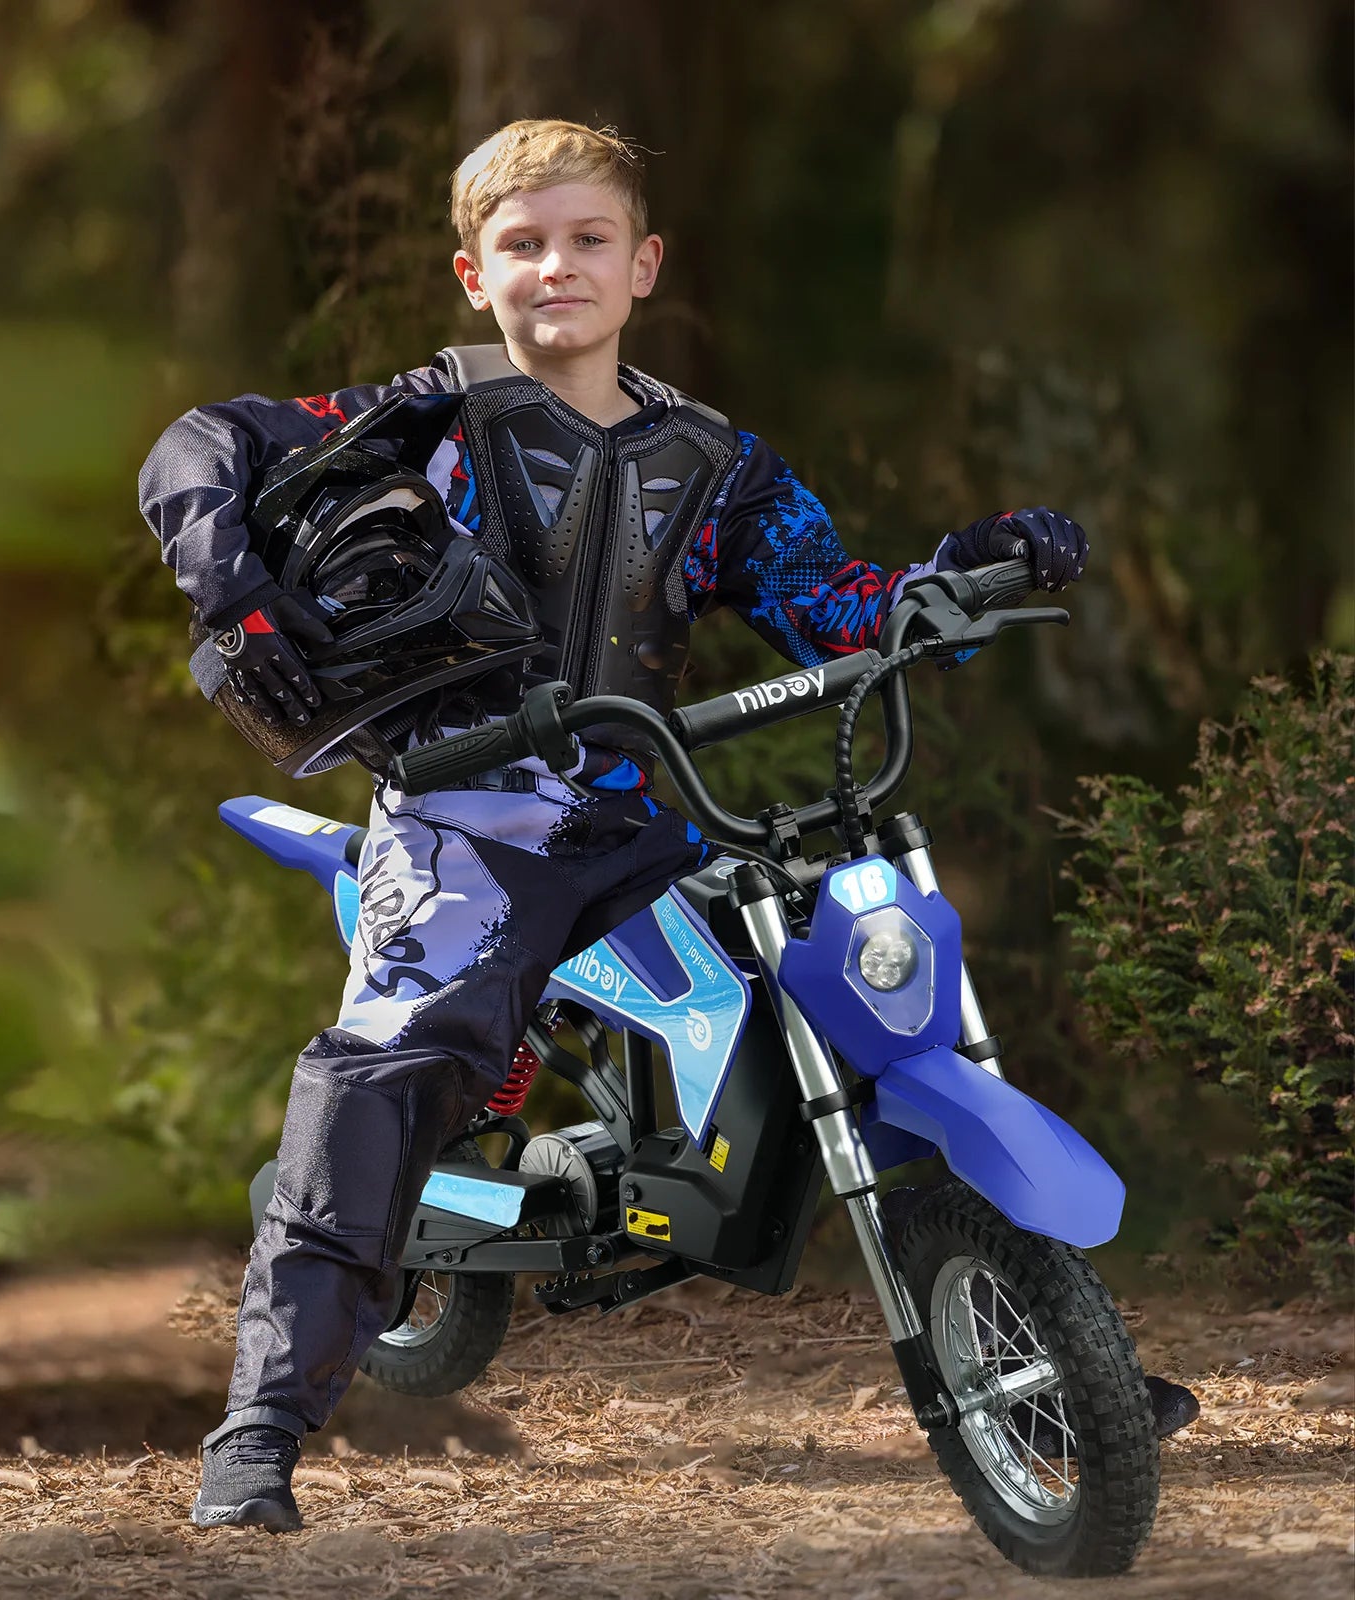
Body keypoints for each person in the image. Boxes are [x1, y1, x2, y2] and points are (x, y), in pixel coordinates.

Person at [139, 118, 1196, 1533]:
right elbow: (200, 444)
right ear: (473, 273)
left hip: (655, 817)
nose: (555, 267)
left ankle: (1068, 1348)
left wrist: (963, 576)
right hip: (467, 822)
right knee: (383, 1070)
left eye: (587, 241)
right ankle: (259, 1430)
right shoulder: (421, 421)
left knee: (855, 976)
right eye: (522, 245)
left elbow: (838, 607)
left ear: (644, 265)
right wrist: (233, 593)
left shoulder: (716, 462)